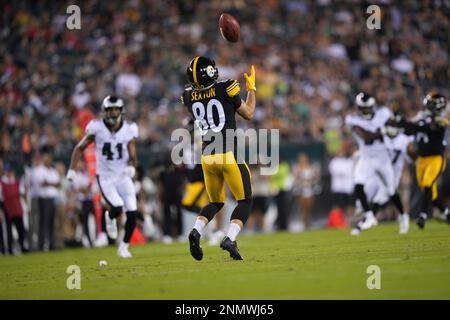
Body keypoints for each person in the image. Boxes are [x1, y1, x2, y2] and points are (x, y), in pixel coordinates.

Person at [181, 56, 256, 261]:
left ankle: (196, 230)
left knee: (215, 202)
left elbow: (197, 95)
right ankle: (230, 238)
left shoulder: (188, 96)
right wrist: (251, 90)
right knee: (245, 200)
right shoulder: (227, 87)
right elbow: (248, 113)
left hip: (207, 157)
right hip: (227, 153)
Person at [67, 95, 139, 258]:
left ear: (121, 110)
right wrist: (72, 169)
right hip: (105, 177)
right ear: (104, 111)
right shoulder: (96, 128)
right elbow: (79, 148)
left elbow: (132, 148)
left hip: (122, 175)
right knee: (118, 207)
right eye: (110, 109)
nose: (113, 112)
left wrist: (132, 165)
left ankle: (124, 247)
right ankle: (110, 216)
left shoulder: (129, 129)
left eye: (116, 109)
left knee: (133, 213)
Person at [345, 92, 409, 235]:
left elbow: (394, 125)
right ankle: (369, 216)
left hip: (383, 158)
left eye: (368, 108)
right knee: (358, 185)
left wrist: (393, 128)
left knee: (391, 190)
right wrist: (384, 131)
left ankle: (403, 216)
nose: (366, 111)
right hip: (366, 158)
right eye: (363, 108)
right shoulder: (352, 120)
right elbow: (367, 136)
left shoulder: (383, 113)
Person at [390, 92, 450, 228]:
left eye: (431, 104)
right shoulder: (423, 117)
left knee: (428, 183)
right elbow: (411, 130)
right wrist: (400, 121)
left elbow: (421, 127)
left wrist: (401, 121)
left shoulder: (440, 120)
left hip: (436, 158)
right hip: (421, 160)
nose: (428, 105)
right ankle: (447, 213)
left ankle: (423, 215)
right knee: (430, 193)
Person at [351, 125, 415, 234]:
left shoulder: (403, 139)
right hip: (380, 172)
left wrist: (413, 157)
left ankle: (361, 225)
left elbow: (412, 153)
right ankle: (361, 209)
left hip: (392, 173)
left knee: (380, 197)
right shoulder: (383, 138)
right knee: (365, 188)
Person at [1, 163, 28, 254]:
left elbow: (22, 193)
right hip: (7, 209)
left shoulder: (16, 182)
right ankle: (9, 249)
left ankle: (22, 246)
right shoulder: (2, 183)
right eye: (7, 171)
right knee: (8, 231)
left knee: (21, 229)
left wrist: (25, 205)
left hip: (17, 208)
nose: (9, 173)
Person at [292, 153, 320, 230]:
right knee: (303, 207)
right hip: (301, 190)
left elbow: (316, 177)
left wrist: (312, 179)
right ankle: (303, 222)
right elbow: (294, 178)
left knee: (308, 207)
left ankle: (307, 221)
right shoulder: (297, 167)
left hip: (309, 189)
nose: (302, 160)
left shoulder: (311, 167)